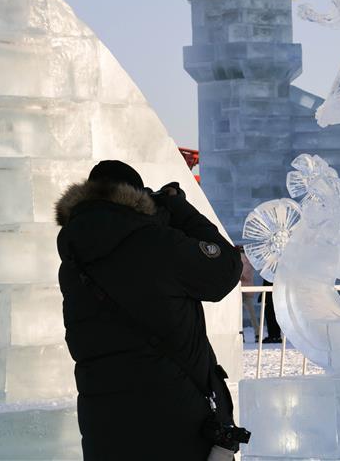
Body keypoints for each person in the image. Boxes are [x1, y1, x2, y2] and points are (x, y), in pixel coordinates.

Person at [56, 160, 245, 459]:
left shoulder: (73, 263)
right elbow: (226, 268)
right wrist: (177, 207)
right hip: (177, 430)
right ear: (137, 198)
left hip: (105, 432)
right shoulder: (157, 245)